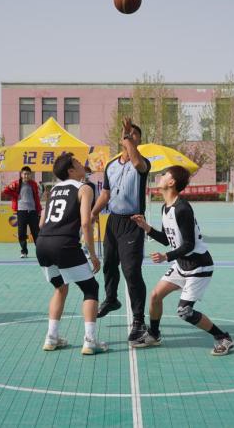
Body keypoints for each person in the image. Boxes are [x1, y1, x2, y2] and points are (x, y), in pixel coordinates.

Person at [130, 166, 234, 356]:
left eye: (165, 174)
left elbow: (189, 244)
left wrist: (166, 256)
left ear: (171, 182)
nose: (161, 176)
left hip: (198, 266)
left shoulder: (182, 208)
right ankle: (154, 334)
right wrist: (146, 227)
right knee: (155, 296)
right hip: (181, 264)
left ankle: (223, 337)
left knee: (184, 311)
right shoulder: (165, 207)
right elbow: (167, 239)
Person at [36, 153, 107, 355]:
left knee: (60, 288)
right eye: (77, 162)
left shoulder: (53, 189)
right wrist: (93, 254)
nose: (82, 164)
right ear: (71, 170)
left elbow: (41, 223)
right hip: (64, 243)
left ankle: (51, 338)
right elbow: (85, 222)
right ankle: (90, 341)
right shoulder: (84, 188)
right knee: (91, 288)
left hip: (43, 243)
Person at [91, 117, 151, 343]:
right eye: (127, 134)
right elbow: (106, 194)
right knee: (108, 264)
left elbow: (136, 162)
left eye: (134, 135)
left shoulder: (142, 163)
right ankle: (111, 299)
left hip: (133, 222)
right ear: (121, 140)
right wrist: (93, 212)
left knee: (131, 271)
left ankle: (139, 320)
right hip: (113, 221)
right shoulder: (111, 165)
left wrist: (128, 138)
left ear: (138, 141)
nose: (129, 136)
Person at [3, 166, 42, 259]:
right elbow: (5, 190)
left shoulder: (33, 184)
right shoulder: (16, 183)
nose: (26, 176)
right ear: (21, 175)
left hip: (32, 211)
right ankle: (24, 251)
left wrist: (39, 209)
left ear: (30, 175)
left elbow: (36, 197)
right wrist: (16, 195)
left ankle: (40, 251)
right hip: (21, 211)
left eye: (28, 174)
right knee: (21, 233)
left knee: (36, 232)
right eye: (24, 174)